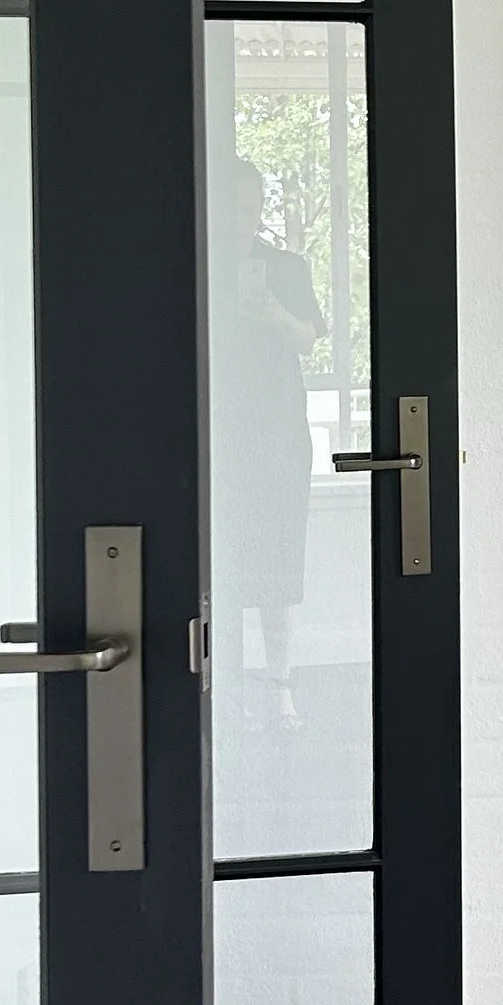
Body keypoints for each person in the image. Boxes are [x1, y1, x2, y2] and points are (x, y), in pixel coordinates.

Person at [209, 153, 325, 724]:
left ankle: (280, 683)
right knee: (222, 561)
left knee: (279, 564)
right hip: (220, 434)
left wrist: (276, 313)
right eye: (231, 206)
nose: (240, 219)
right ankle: (224, 691)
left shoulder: (287, 268)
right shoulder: (199, 265)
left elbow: (310, 339)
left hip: (279, 433)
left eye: (249, 207)